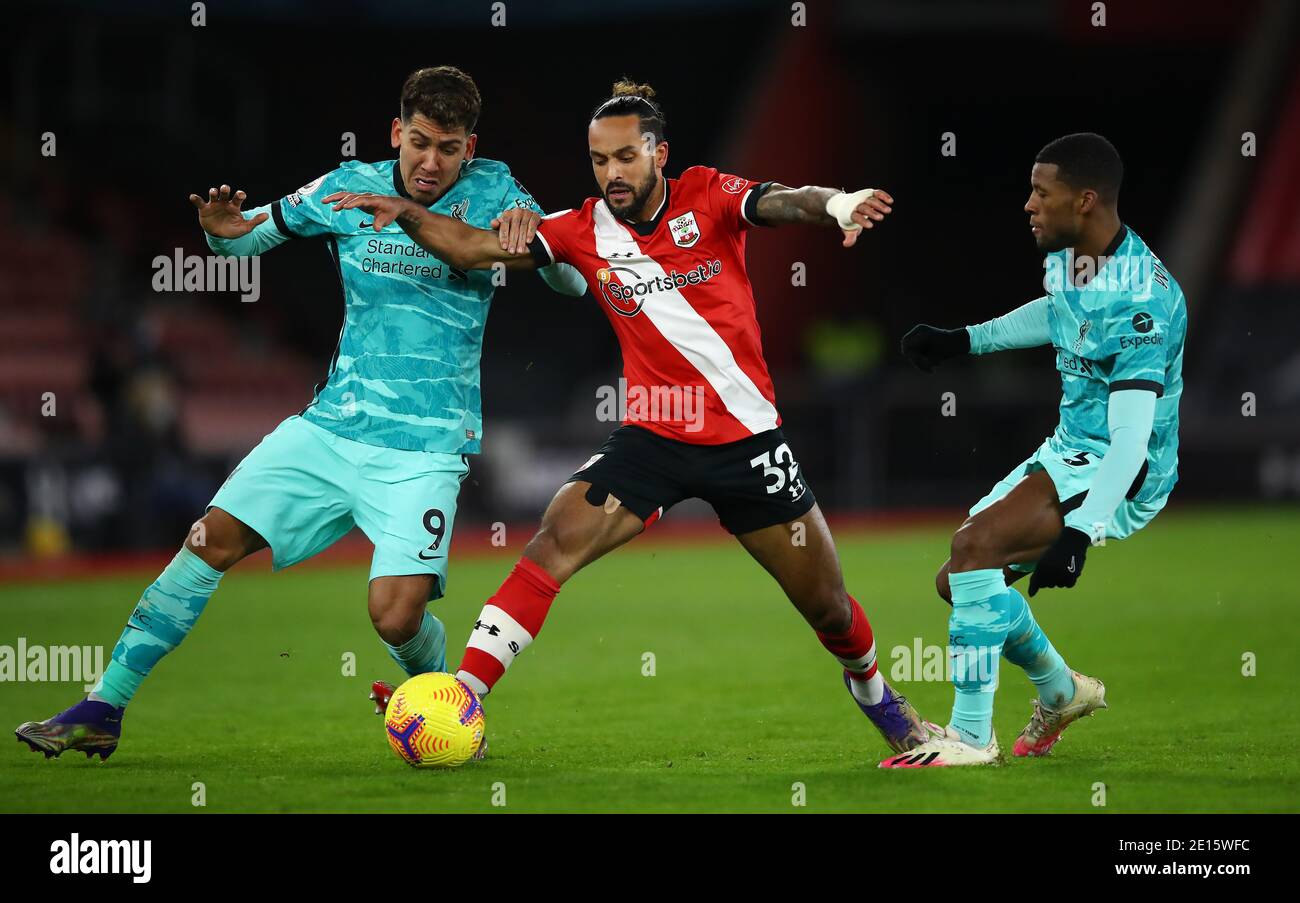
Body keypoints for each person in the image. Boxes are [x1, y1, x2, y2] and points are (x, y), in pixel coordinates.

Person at [326, 79, 938, 756]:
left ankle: (883, 701)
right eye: (598, 160)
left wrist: (837, 204)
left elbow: (778, 199)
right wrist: (403, 211)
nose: (612, 173)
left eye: (625, 157)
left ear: (659, 153)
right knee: (551, 543)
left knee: (827, 604)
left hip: (748, 442)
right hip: (653, 438)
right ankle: (460, 695)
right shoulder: (582, 229)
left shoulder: (707, 193)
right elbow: (472, 249)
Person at [15, 66, 585, 761]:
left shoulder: (498, 190)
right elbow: (245, 237)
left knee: (396, 616)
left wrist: (544, 244)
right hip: (329, 429)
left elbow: (574, 277)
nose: (433, 161)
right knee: (208, 540)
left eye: (450, 146)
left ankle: (446, 704)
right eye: (421, 142)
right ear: (395, 133)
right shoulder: (345, 189)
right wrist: (222, 233)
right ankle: (103, 704)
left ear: (472, 146)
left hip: (426, 446)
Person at [886, 133, 1185, 767]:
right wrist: (963, 341)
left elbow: (1131, 440)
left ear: (1085, 200)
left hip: (1123, 468)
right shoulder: (1074, 255)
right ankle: (1061, 689)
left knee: (974, 550)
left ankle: (971, 738)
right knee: (959, 580)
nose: (1027, 204)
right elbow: (1057, 315)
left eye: (1040, 193)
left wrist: (1080, 533)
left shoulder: (1142, 302)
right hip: (1070, 448)